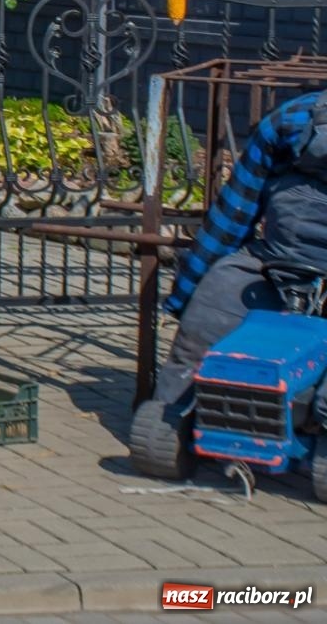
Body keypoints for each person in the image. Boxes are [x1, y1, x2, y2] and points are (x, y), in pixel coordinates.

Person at [131, 88, 326, 474]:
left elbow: (231, 219)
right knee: (210, 314)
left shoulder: (294, 116)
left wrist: (185, 293)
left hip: (279, 263)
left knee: (205, 318)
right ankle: (184, 415)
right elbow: (233, 217)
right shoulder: (291, 119)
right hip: (279, 264)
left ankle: (177, 413)